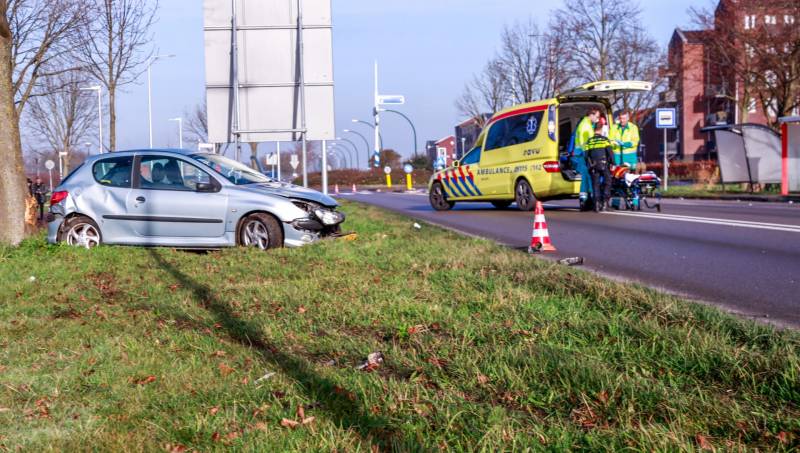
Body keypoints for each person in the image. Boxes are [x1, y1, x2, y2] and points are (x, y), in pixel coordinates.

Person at [569, 107, 602, 204]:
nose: (598, 119)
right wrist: (591, 155)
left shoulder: (587, 124)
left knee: (587, 176)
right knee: (587, 176)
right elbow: (584, 144)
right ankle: (586, 199)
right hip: (581, 155)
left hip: (581, 155)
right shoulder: (585, 126)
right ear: (591, 115)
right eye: (597, 116)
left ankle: (586, 198)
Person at [584, 121, 615, 212]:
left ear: (594, 130)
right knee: (608, 182)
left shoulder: (589, 141)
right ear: (601, 129)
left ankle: (597, 205)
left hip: (594, 166)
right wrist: (613, 163)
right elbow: (610, 152)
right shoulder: (605, 140)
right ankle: (605, 203)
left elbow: (586, 155)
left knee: (595, 184)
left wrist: (589, 165)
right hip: (604, 164)